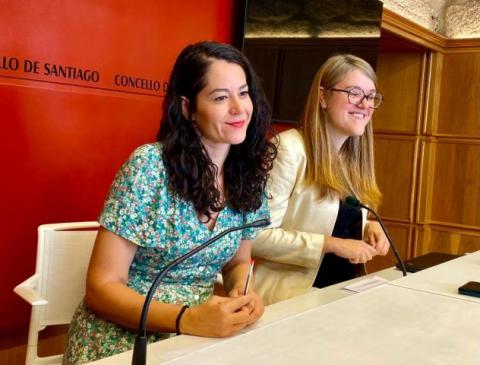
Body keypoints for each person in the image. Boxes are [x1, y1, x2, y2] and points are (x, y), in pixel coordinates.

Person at [63, 41, 277, 364]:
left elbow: (238, 262)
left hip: (200, 334)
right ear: (188, 108)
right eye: (221, 97)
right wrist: (187, 318)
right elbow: (100, 287)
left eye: (243, 93)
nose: (239, 108)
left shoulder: (249, 173)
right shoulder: (149, 167)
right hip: (125, 338)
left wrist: (242, 294)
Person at [252, 54, 389, 305]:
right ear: (323, 96)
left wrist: (367, 227)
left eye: (370, 96)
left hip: (341, 296)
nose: (364, 104)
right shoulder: (288, 149)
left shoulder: (351, 160)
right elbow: (257, 238)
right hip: (289, 302)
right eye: (354, 92)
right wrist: (332, 244)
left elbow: (331, 218)